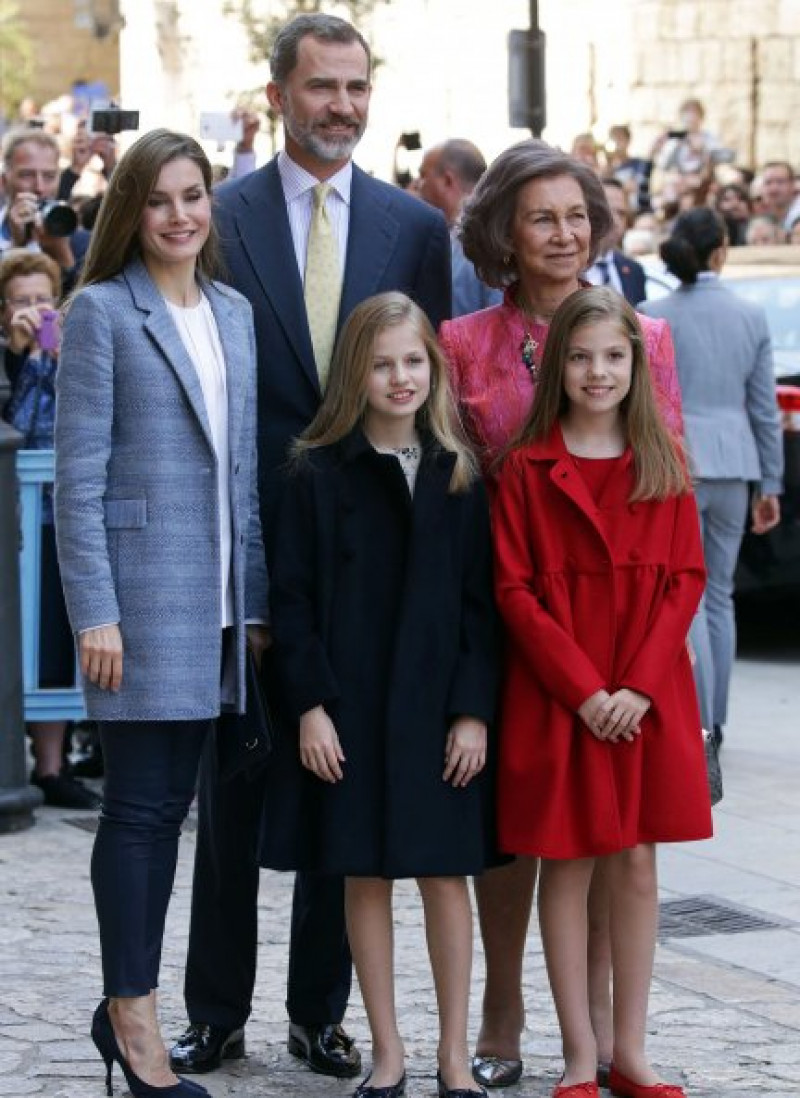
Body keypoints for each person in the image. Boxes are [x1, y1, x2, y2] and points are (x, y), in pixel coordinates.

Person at [169, 12, 452, 1080]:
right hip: (249, 546)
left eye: (355, 87)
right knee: (235, 786)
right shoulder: (222, 217)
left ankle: (318, 1013)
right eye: (321, 86)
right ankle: (214, 1011)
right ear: (278, 92)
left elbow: (423, 392)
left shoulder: (411, 228)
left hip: (366, 558)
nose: (341, 105)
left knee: (346, 793)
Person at [438, 139, 682, 1090]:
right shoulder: (464, 343)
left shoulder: (643, 338)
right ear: (503, 229)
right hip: (509, 604)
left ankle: (605, 1040)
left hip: (618, 619)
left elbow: (665, 486)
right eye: (542, 216)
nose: (564, 232)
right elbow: (453, 487)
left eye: (577, 214)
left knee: (612, 832)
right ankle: (503, 1010)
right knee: (516, 830)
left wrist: (655, 665)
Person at [54, 128, 269, 1098]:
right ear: (129, 210)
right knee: (142, 813)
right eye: (159, 199)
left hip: (221, 611)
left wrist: (254, 605)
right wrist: (94, 611)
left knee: (182, 812)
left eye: (194, 196)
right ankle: (133, 1022)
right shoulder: (100, 312)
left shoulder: (231, 312)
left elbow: (245, 477)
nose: (180, 215)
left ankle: (124, 1009)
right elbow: (78, 479)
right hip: (136, 610)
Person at [262, 290, 496, 1098]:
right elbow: (289, 602)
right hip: (350, 709)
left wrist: (473, 711)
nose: (400, 378)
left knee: (444, 876)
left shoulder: (461, 475)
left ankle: (455, 1056)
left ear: (434, 366)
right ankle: (389, 1052)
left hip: (437, 714)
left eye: (413, 361)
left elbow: (480, 606)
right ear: (353, 374)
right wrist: (310, 705)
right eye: (382, 363)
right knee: (363, 874)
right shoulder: (315, 474)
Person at [492, 286, 713, 1098]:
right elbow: (515, 592)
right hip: (564, 699)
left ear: (637, 364)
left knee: (639, 866)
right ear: (558, 366)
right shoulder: (526, 467)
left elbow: (685, 580)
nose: (597, 371)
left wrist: (640, 689)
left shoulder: (664, 460)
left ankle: (631, 1052)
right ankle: (579, 1057)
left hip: (645, 699)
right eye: (581, 356)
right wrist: (587, 693)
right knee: (567, 865)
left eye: (614, 356)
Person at [640, 209, 783, 746]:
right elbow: (763, 408)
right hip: (735, 464)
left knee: (686, 594)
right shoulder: (749, 315)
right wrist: (771, 483)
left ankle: (694, 717)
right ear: (721, 250)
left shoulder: (651, 312)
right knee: (718, 594)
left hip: (675, 464)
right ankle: (716, 720)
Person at [0, 249, 99, 809]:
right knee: (21, 639)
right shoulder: (9, 360)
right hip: (15, 520)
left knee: (57, 639)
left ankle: (54, 766)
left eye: (44, 300)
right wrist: (20, 358)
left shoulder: (74, 353)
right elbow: (15, 424)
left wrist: (56, 353)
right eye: (22, 301)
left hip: (63, 517)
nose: (34, 311)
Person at [418, 138, 502, 317]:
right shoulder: (446, 236)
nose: (418, 185)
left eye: (424, 176)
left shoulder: (491, 240)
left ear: (448, 180)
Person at [0, 128, 77, 280]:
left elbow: (87, 301)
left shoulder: (80, 240)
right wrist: (16, 247)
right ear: (4, 181)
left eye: (49, 176)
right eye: (27, 175)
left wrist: (64, 258)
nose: (39, 188)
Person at [585, 178, 647, 306]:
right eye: (608, 210)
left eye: (621, 213)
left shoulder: (634, 271)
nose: (615, 220)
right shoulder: (571, 267)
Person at [757, 160, 800, 232]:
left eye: (780, 182)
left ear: (793, 184)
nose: (773, 188)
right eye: (768, 182)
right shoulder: (760, 215)